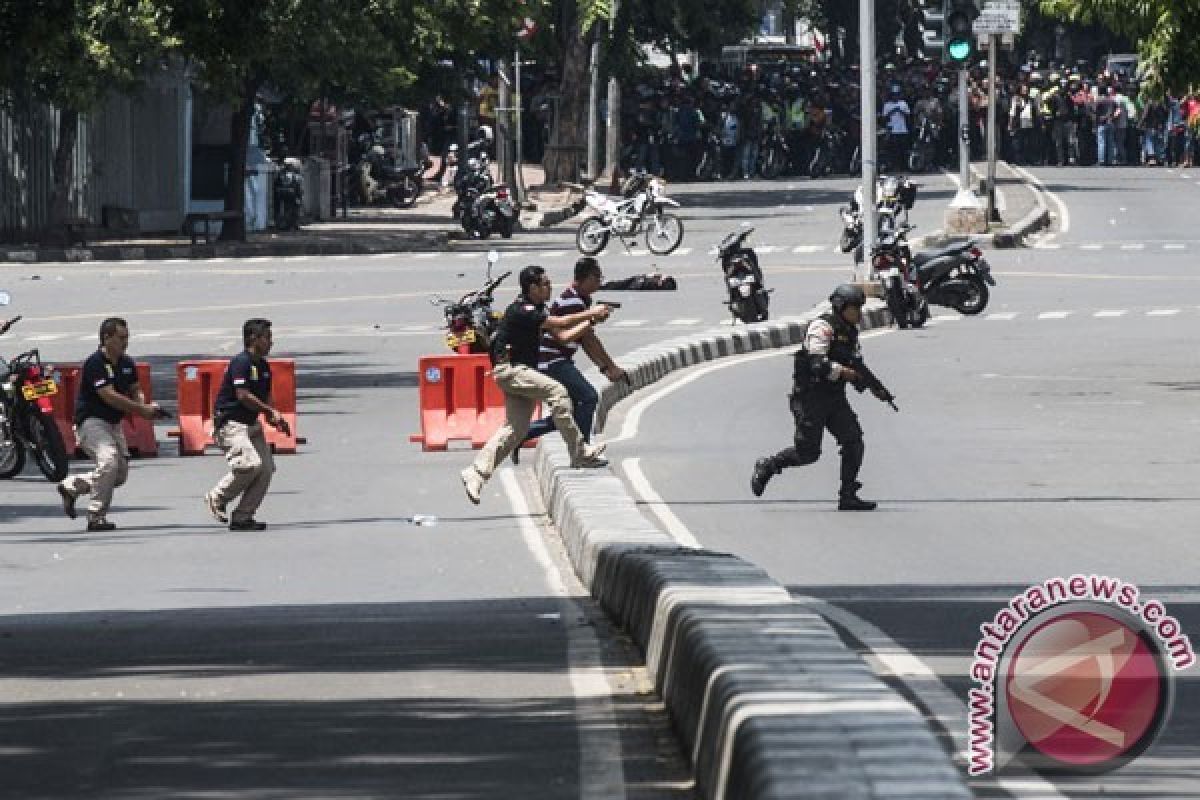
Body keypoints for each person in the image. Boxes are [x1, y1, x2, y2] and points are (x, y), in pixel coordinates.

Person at [461, 266, 612, 504]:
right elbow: (561, 322)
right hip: (510, 370)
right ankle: (580, 451)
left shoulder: (538, 308)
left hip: (523, 373)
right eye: (545, 284)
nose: (550, 288)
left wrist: (591, 318)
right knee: (558, 392)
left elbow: (561, 332)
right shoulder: (523, 310)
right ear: (532, 288)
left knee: (516, 430)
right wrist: (591, 314)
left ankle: (476, 473)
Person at [749, 285, 892, 511]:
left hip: (835, 398)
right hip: (810, 398)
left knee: (854, 441)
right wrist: (844, 373)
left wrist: (876, 388)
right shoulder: (822, 327)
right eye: (855, 308)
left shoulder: (851, 332)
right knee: (808, 454)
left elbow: (857, 364)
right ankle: (769, 465)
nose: (859, 314)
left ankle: (848, 495)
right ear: (841, 307)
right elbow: (818, 365)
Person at [57, 318, 163, 532]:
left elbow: (135, 389)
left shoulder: (126, 363)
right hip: (91, 422)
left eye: (127, 338)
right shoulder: (95, 363)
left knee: (119, 474)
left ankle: (72, 486)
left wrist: (144, 403)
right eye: (121, 338)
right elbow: (109, 396)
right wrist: (141, 410)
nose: (125, 342)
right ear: (107, 338)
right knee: (109, 462)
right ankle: (96, 517)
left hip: (113, 424)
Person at [516, 258, 627, 462]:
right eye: (597, 277)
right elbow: (579, 337)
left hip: (558, 359)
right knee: (589, 398)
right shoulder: (573, 302)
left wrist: (606, 367)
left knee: (571, 411)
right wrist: (610, 367)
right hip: (553, 360)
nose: (599, 282)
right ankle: (581, 451)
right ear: (585, 278)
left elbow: (586, 340)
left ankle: (523, 434)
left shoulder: (580, 300)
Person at [204, 319, 290, 531]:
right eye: (267, 337)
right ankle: (217, 497)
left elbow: (265, 395)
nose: (271, 342)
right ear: (253, 338)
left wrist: (274, 417)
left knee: (266, 469)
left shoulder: (263, 366)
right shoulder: (241, 363)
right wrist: (268, 411)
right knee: (250, 465)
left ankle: (243, 515)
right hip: (231, 424)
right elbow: (243, 395)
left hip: (250, 424)